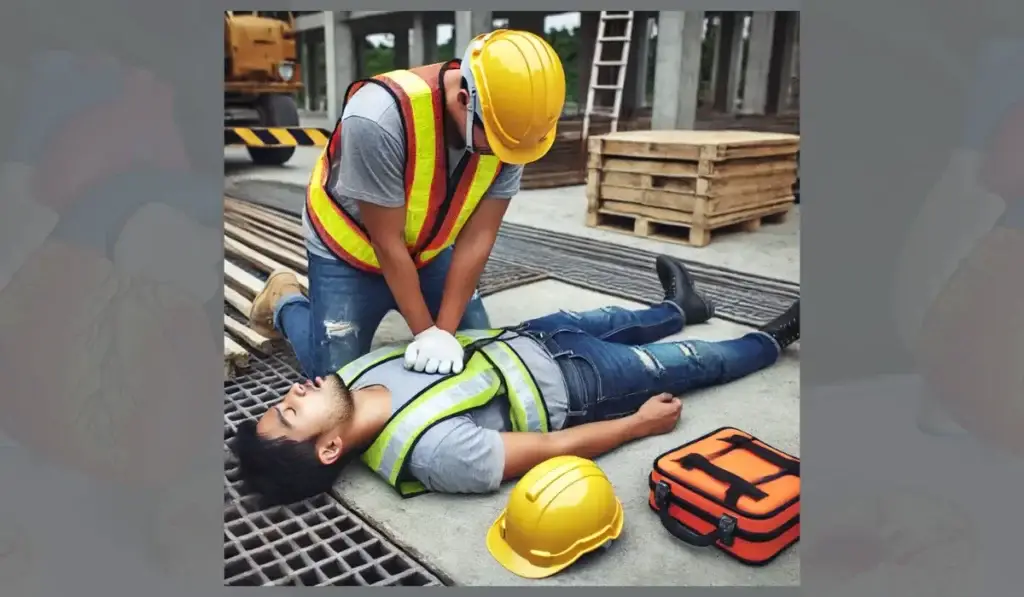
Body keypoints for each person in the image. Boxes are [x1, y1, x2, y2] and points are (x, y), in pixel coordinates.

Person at [233, 255, 800, 506]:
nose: (293, 393)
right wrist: (636, 426)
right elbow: (555, 446)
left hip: (532, 337)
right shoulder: (435, 455)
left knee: (624, 318)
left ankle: (681, 305)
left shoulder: (347, 380)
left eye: (281, 403)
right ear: (330, 447)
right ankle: (773, 339)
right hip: (584, 384)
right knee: (694, 360)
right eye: (289, 414)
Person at [247, 29, 567, 378]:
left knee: (476, 350)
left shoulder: (514, 130)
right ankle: (284, 301)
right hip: (350, 249)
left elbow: (478, 238)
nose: (504, 155)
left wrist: (444, 332)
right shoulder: (377, 118)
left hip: (428, 248)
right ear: (464, 98)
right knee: (339, 382)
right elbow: (386, 241)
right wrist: (425, 332)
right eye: (495, 142)